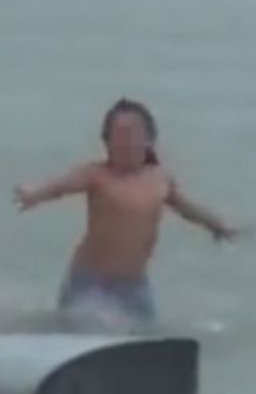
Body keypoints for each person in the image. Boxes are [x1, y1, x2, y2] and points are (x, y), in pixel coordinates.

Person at [13, 98, 238, 329]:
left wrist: (216, 225)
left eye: (133, 136)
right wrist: (34, 195)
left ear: (149, 140)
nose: (126, 143)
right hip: (91, 282)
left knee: (146, 337)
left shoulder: (160, 180)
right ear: (106, 142)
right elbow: (61, 186)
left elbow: (186, 208)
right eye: (118, 137)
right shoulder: (97, 175)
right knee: (88, 330)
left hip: (134, 286)